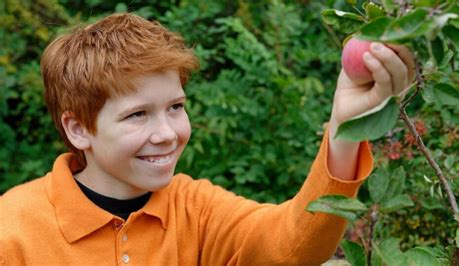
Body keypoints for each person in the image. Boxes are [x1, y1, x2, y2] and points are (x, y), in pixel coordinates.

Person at [0, 13, 414, 265]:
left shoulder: (197, 211)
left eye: (175, 107)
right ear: (78, 129)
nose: (166, 133)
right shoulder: (13, 229)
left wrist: (345, 126)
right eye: (138, 114)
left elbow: (294, 246)